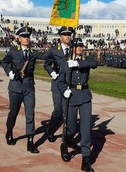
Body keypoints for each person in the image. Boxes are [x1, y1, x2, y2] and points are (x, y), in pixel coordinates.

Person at [57, 38, 98, 172]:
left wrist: (77, 63)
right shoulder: (65, 63)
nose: (80, 48)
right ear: (73, 48)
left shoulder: (86, 60)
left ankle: (86, 160)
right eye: (77, 45)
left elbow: (94, 63)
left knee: (85, 129)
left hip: (85, 96)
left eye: (81, 46)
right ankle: (65, 142)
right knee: (71, 127)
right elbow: (60, 82)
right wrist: (64, 91)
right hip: (71, 97)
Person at [1, 26, 39, 153]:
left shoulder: (33, 53)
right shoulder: (13, 51)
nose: (27, 38)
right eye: (24, 37)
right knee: (13, 112)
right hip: (15, 86)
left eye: (28, 36)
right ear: (19, 38)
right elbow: (4, 62)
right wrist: (9, 72)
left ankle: (30, 141)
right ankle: (9, 132)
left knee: (30, 114)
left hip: (28, 87)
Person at [44, 26, 74, 142]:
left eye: (69, 35)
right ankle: (50, 129)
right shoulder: (54, 50)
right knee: (58, 110)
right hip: (57, 83)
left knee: (67, 111)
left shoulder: (73, 50)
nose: (68, 37)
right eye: (65, 35)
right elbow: (46, 65)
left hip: (69, 83)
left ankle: (66, 136)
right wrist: (52, 73)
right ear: (61, 37)